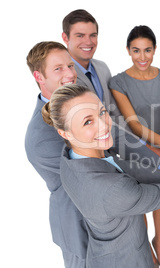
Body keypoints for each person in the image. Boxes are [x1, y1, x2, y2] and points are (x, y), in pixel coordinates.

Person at [42, 84, 160, 268]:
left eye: (102, 112)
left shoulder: (72, 155)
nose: (104, 125)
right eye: (88, 121)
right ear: (65, 133)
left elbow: (123, 166)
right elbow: (156, 196)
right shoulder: (108, 189)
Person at [109, 25, 160, 268]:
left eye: (147, 50)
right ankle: (146, 251)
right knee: (140, 198)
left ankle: (159, 243)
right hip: (136, 147)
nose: (142, 57)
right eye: (136, 51)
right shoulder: (118, 82)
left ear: (155, 50)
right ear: (128, 51)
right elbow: (135, 126)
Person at [25, 41, 87, 268]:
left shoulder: (81, 101)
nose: (70, 73)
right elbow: (88, 174)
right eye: (58, 68)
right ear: (39, 77)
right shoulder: (40, 137)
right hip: (78, 225)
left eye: (70, 65)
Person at [61, 9, 119, 118]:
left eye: (93, 35)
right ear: (65, 38)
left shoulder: (103, 68)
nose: (88, 42)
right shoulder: (63, 76)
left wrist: (133, 135)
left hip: (111, 132)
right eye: (80, 36)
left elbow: (113, 112)